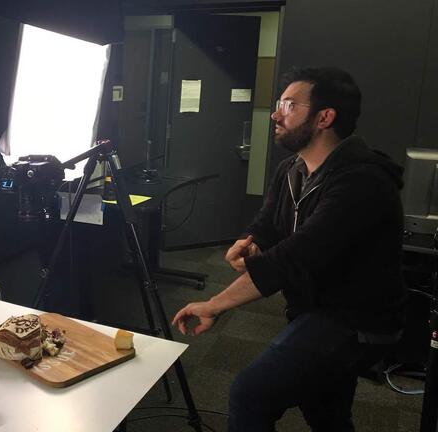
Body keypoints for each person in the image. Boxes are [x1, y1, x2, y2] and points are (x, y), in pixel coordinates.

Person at [171, 67, 405, 431]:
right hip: (312, 308)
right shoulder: (291, 169)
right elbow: (268, 225)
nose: (276, 115)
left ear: (324, 117)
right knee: (325, 409)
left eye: (290, 106)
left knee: (251, 393)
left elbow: (295, 256)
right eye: (280, 104)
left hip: (354, 321)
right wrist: (251, 242)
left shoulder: (363, 181)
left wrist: (214, 305)